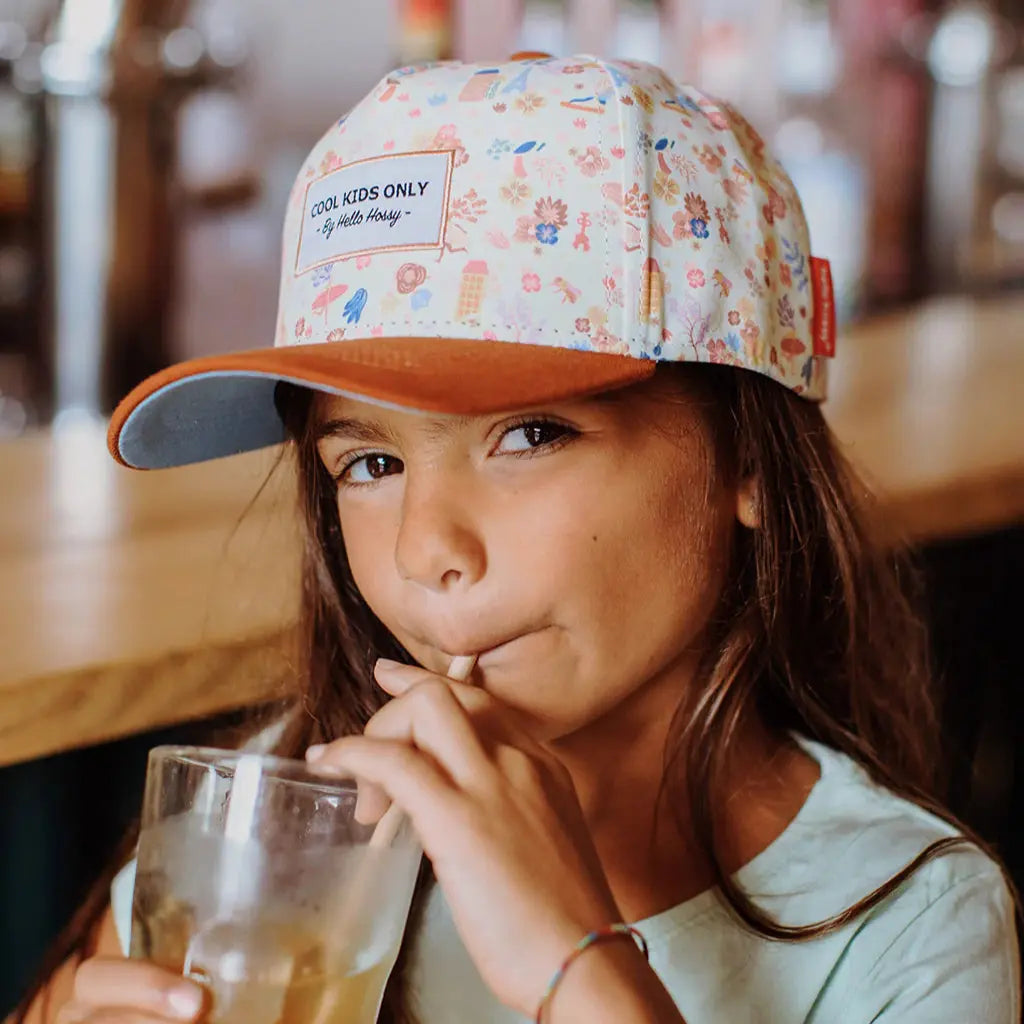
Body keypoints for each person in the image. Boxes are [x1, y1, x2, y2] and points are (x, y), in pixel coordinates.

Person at [13, 53, 1020, 1024]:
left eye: (530, 434)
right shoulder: (276, 830)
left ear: (748, 462)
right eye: (368, 463)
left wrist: (572, 962)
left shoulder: (910, 926)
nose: (425, 548)